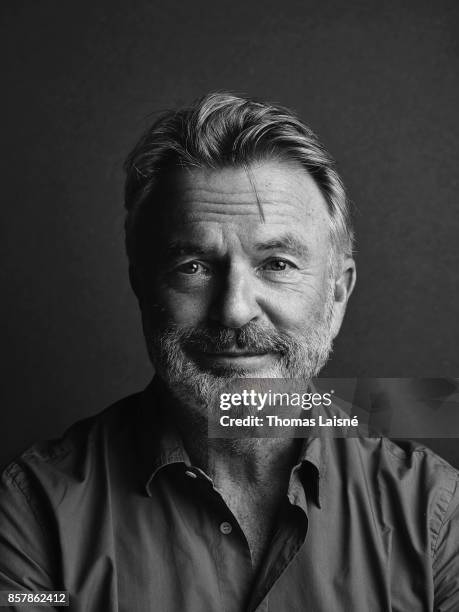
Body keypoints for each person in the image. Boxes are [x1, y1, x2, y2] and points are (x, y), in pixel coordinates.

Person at [0, 92, 458, 611]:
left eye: (278, 263)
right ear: (143, 288)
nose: (235, 310)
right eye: (193, 266)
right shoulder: (35, 514)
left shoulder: (436, 517)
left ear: (337, 294)